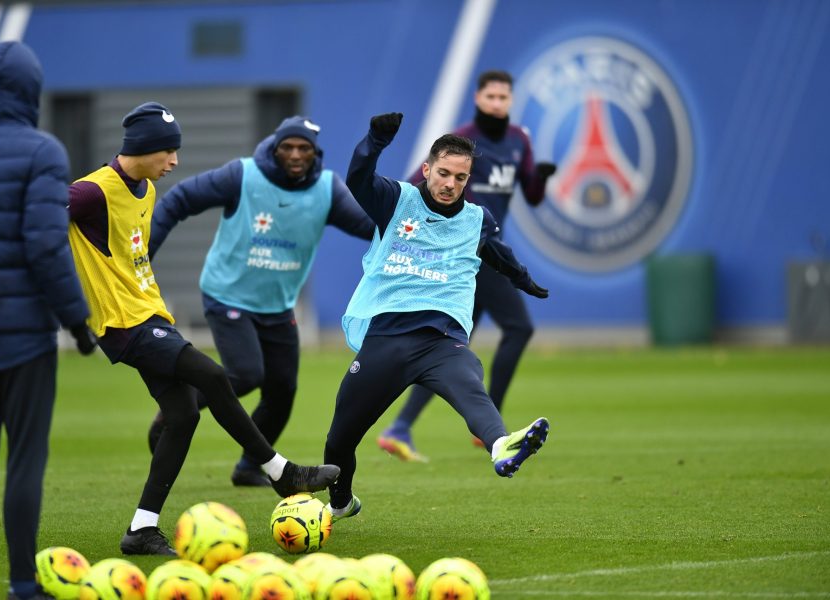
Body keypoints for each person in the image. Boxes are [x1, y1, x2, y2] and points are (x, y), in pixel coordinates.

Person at [66, 102, 339, 556]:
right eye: (169, 151)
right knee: (213, 376)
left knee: (183, 416)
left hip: (149, 314)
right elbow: (36, 216)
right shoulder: (92, 192)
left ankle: (141, 529)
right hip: (123, 323)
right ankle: (280, 471)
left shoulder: (145, 190)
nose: (174, 161)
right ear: (145, 147)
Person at [323, 112, 550, 520]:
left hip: (442, 342)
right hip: (386, 339)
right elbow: (357, 178)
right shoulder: (397, 200)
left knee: (471, 387)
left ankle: (501, 446)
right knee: (339, 441)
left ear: (469, 180)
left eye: (460, 178)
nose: (450, 184)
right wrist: (374, 140)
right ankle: (340, 503)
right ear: (426, 170)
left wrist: (522, 278)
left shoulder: (478, 219)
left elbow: (495, 251)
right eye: (443, 173)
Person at [0, 41, 96, 600]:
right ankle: (24, 585)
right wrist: (77, 321)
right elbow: (45, 247)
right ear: (31, 91)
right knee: (25, 460)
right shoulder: (42, 152)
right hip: (26, 336)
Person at [144, 116, 374, 487]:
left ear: (316, 153)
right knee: (247, 374)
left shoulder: (327, 189)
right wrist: (145, 255)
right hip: (227, 295)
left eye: (304, 148)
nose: (296, 155)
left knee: (283, 390)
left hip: (278, 305)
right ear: (275, 147)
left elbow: (372, 226)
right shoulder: (243, 175)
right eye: (288, 147)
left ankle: (249, 467)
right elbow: (180, 200)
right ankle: (177, 405)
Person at [379, 69, 557, 462]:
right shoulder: (462, 143)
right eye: (491, 97)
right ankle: (490, 422)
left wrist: (541, 179)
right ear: (478, 99)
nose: (497, 103)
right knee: (520, 328)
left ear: (510, 101)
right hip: (469, 252)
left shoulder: (519, 141)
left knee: (447, 346)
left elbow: (532, 194)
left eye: (503, 98)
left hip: (490, 250)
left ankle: (400, 427)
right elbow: (416, 186)